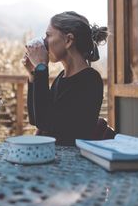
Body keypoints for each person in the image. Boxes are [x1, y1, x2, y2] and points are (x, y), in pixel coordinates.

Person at [22, 11, 108, 146]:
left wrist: (42, 67)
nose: (44, 41)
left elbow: (46, 122)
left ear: (68, 40)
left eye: (48, 35)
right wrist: (33, 74)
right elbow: (36, 119)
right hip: (54, 156)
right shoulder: (62, 77)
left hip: (72, 160)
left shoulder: (90, 80)